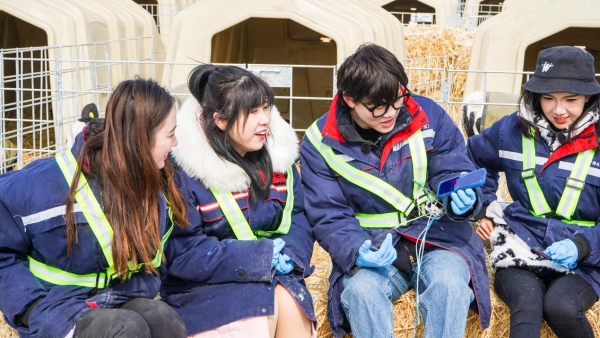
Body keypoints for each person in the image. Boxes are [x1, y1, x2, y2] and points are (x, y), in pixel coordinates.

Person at [300, 43, 491, 338]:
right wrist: (355, 250)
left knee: (450, 287)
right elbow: (328, 212)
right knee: (361, 292)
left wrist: (462, 200)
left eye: (397, 99)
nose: (390, 113)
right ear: (349, 99)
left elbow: (453, 166)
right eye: (377, 106)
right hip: (373, 245)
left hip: (437, 236)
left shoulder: (428, 114)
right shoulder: (319, 141)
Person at [0, 78, 188, 337]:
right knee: (128, 330)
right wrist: (31, 309)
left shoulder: (157, 180)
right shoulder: (43, 187)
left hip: (116, 296)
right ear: (141, 140)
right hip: (58, 307)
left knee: (163, 320)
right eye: (170, 134)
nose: (175, 143)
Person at [161, 64, 315, 338]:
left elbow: (298, 217)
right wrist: (260, 258)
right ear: (220, 120)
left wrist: (291, 257)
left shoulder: (279, 158)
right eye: (252, 112)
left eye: (266, 108)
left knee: (292, 303)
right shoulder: (183, 171)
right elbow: (182, 251)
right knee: (260, 313)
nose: (264, 119)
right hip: (205, 289)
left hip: (267, 275)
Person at [469, 46, 600, 338]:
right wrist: (482, 206)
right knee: (526, 306)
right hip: (521, 245)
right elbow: (471, 160)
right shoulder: (509, 130)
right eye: (548, 98)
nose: (558, 110)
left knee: (561, 307)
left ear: (589, 97)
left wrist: (583, 245)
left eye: (571, 99)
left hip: (583, 256)